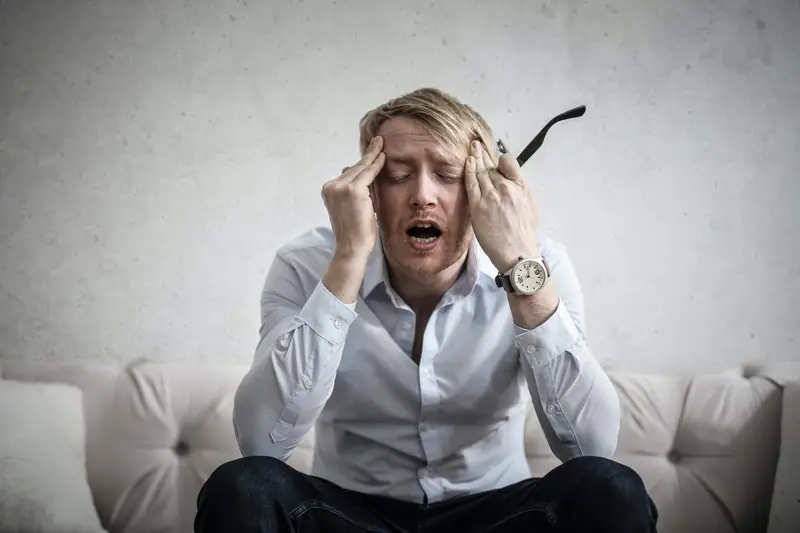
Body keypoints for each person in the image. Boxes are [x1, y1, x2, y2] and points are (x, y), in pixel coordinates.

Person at [194, 88, 658, 532]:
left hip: (496, 516)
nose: (422, 195)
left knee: (611, 489)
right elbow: (260, 443)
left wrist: (521, 266)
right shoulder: (304, 265)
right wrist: (348, 260)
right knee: (241, 487)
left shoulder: (540, 266)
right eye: (397, 175)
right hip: (348, 514)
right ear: (369, 192)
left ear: (484, 191)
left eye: (449, 175)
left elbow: (593, 447)